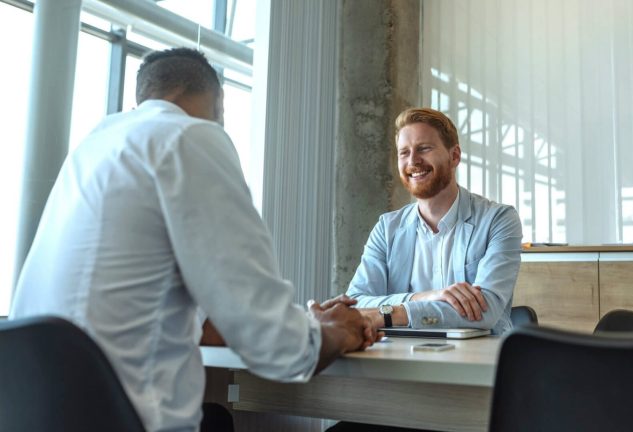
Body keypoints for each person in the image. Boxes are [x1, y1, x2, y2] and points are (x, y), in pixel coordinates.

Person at [10, 48, 376, 432]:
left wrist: (304, 320)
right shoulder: (190, 135)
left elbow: (205, 323)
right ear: (217, 102)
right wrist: (340, 331)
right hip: (127, 417)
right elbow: (276, 346)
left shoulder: (93, 151)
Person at [346, 108, 523, 334]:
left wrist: (395, 313)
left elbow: (485, 312)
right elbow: (356, 303)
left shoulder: (498, 220)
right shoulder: (386, 228)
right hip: (399, 355)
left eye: (424, 148)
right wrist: (427, 297)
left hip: (479, 359)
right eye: (404, 152)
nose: (413, 161)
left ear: (454, 156)